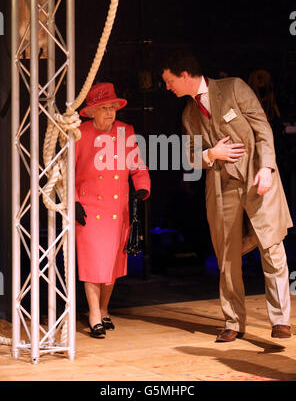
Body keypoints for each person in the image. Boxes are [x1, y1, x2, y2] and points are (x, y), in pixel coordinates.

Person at [162, 52, 293, 342]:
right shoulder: (189, 114)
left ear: (185, 75)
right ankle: (233, 321)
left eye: (169, 81)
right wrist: (212, 154)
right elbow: (190, 157)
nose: (168, 87)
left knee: (271, 245)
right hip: (222, 186)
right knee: (227, 254)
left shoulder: (233, 88)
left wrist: (267, 167)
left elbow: (262, 128)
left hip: (257, 177)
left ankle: (281, 319)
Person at [75, 82, 151, 338]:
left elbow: (138, 166)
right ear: (92, 111)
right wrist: (73, 201)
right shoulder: (79, 133)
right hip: (88, 207)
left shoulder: (125, 132)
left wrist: (141, 188)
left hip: (117, 208)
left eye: (112, 107)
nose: (109, 112)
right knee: (93, 263)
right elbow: (67, 171)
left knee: (112, 265)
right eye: (104, 108)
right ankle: (94, 313)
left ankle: (104, 309)